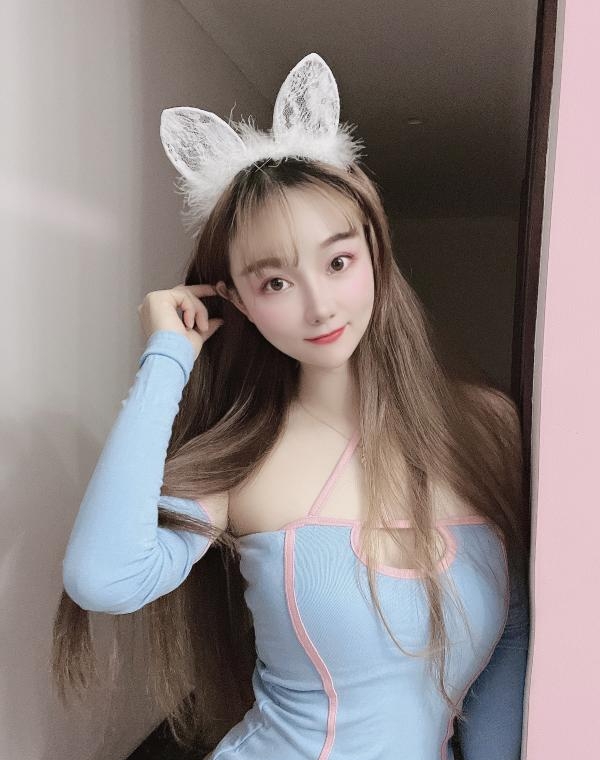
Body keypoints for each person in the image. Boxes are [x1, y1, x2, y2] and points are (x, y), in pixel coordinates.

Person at [52, 53, 530, 759]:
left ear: (376, 253)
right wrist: (166, 359)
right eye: (274, 282)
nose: (319, 306)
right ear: (238, 301)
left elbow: (516, 630)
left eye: (338, 262)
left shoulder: (487, 428)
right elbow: (104, 578)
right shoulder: (245, 458)